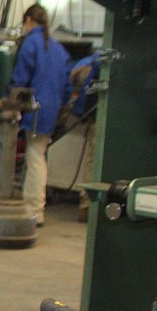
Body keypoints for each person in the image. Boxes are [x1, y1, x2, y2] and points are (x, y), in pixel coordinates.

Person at [0, 4, 71, 227]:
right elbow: (67, 86)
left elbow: (20, 80)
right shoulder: (59, 49)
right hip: (50, 110)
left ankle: (6, 191)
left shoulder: (31, 43)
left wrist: (6, 103)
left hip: (31, 109)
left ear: (28, 20)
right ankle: (34, 208)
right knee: (37, 153)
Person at [66, 50, 104, 222]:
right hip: (100, 117)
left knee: (93, 159)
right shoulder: (98, 61)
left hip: (96, 117)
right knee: (95, 159)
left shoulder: (92, 60)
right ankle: (89, 206)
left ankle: (87, 205)